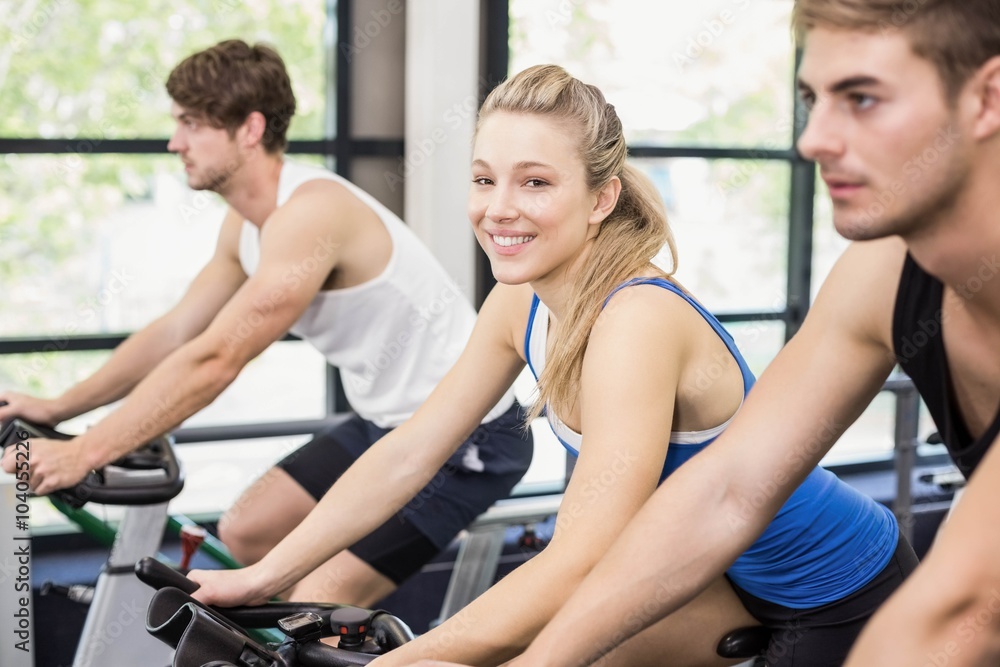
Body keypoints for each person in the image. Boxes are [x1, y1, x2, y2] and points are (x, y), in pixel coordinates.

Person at [188, 64, 915, 667]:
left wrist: (405, 661)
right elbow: (410, 449)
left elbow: (581, 557)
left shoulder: (636, 319)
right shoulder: (523, 302)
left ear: (601, 197)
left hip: (835, 593)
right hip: (716, 571)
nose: (498, 209)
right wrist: (264, 574)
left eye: (535, 182)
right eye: (483, 179)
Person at [501, 2, 1000, 666]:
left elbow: (968, 604)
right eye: (811, 98)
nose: (812, 138)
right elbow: (726, 488)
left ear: (988, 98)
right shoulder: (881, 276)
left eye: (861, 97)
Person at [0, 39, 533, 607]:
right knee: (247, 528)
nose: (173, 141)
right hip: (386, 420)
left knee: (315, 598)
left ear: (249, 130)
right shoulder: (248, 222)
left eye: (190, 123)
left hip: (474, 434)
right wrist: (60, 409)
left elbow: (217, 360)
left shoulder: (311, 213)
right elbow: (178, 331)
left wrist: (85, 453)